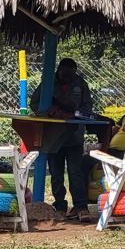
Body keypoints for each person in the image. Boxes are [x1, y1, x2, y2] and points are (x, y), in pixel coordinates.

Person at [31, 58, 93, 220]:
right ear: (58, 71)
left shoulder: (80, 84)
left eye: (71, 75)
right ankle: (60, 207)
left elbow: (88, 108)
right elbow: (34, 102)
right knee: (56, 173)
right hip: (53, 136)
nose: (68, 78)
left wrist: (74, 114)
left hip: (74, 135)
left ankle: (81, 207)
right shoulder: (48, 83)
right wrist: (48, 111)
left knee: (75, 172)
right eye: (65, 74)